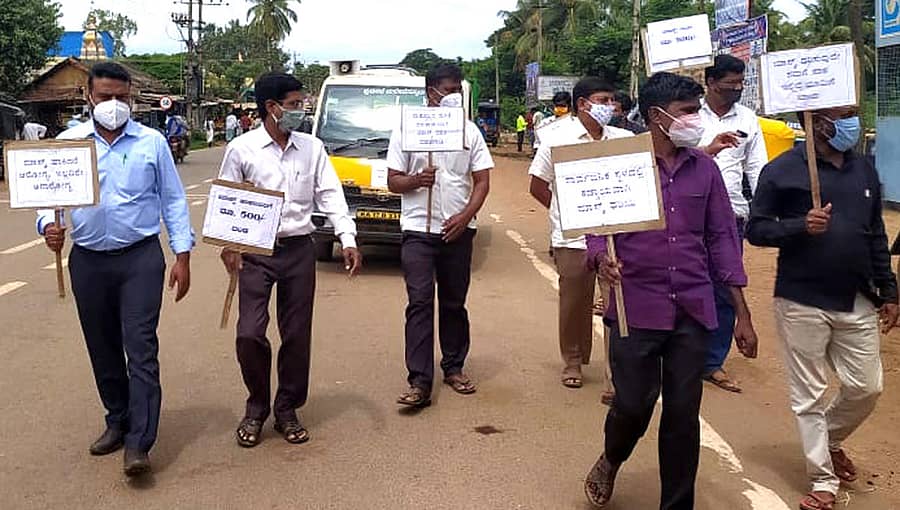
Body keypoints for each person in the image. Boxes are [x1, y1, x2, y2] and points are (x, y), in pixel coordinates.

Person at [582, 72, 758, 510]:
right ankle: (612, 457)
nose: (697, 119)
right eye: (687, 111)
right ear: (657, 117)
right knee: (633, 406)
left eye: (697, 110)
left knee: (683, 416)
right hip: (635, 307)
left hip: (692, 310)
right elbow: (593, 231)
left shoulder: (706, 170)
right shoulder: (619, 164)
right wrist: (600, 260)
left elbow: (721, 240)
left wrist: (742, 314)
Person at [38, 62, 193, 477]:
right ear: (88, 96)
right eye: (105, 97)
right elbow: (47, 199)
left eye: (121, 97)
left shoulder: (152, 142)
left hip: (139, 258)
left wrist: (183, 255)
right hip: (87, 260)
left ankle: (139, 442)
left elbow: (173, 200)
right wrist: (48, 226)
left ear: (132, 99)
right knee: (102, 345)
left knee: (140, 347)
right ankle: (117, 420)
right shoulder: (67, 144)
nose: (113, 105)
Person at [746, 106, 897, 510]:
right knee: (808, 395)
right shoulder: (781, 171)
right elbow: (756, 229)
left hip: (857, 296)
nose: (851, 122)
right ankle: (822, 478)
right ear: (816, 120)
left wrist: (889, 290)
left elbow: (876, 232)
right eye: (843, 115)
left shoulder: (863, 169)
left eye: (853, 113)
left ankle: (828, 439)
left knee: (867, 387)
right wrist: (799, 226)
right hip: (801, 299)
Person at [218, 73, 362, 448]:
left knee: (296, 335)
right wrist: (228, 246)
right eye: (296, 104)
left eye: (302, 104)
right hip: (256, 252)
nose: (301, 110)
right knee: (249, 332)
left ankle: (287, 408)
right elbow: (226, 201)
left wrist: (347, 237)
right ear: (272, 107)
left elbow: (330, 194)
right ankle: (256, 406)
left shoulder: (312, 148)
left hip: (299, 249)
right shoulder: (241, 149)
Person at [387, 63, 493, 408]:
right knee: (419, 301)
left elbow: (482, 181)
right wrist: (416, 180)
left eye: (458, 91)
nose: (454, 97)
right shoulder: (406, 129)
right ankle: (419, 380)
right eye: (448, 91)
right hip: (418, 230)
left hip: (457, 231)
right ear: (430, 93)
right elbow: (393, 181)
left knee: (453, 302)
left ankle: (454, 366)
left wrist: (466, 216)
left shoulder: (470, 132)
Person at [528, 78, 630, 398]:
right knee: (574, 301)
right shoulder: (556, 139)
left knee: (618, 303)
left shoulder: (624, 139)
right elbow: (538, 185)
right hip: (573, 239)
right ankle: (573, 360)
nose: (610, 106)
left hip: (616, 236)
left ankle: (617, 372)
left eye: (612, 100)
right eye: (603, 99)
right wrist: (568, 214)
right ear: (583, 103)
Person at [697, 54, 769, 394]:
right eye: (730, 84)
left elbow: (757, 167)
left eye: (741, 84)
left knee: (726, 287)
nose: (737, 90)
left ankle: (712, 361)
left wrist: (764, 205)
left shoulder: (749, 119)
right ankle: (677, 350)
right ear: (711, 82)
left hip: (730, 216)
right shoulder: (688, 115)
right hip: (687, 213)